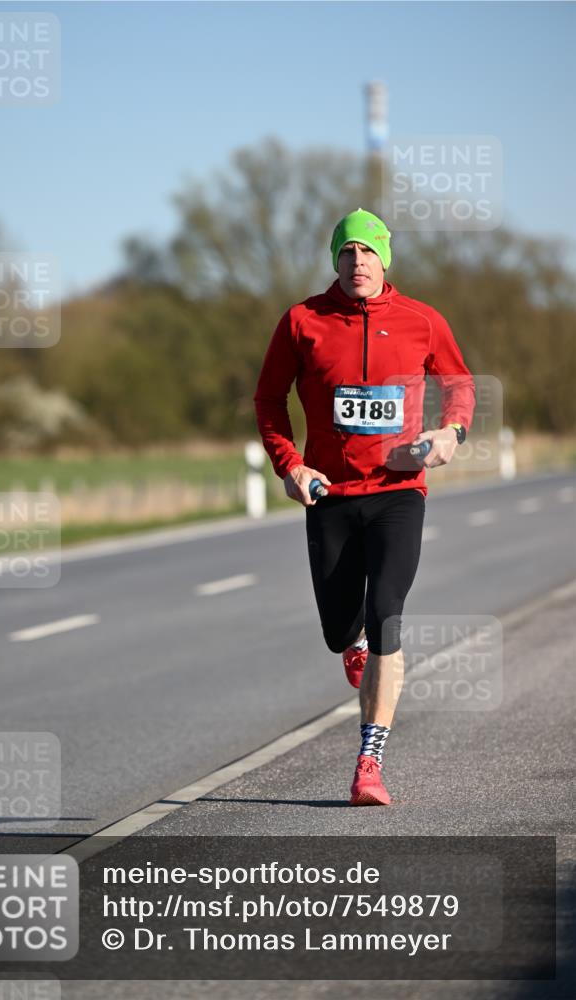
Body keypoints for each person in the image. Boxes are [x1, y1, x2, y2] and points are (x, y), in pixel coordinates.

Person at [253, 208, 476, 806]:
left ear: (386, 260)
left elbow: (459, 383)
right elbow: (269, 398)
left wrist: (450, 433)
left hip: (398, 493)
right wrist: (289, 463)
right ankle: (351, 647)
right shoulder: (303, 321)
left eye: (369, 253)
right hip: (329, 496)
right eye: (347, 253)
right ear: (335, 260)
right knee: (338, 629)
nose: (358, 264)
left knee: (387, 613)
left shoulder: (421, 321)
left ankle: (369, 762)